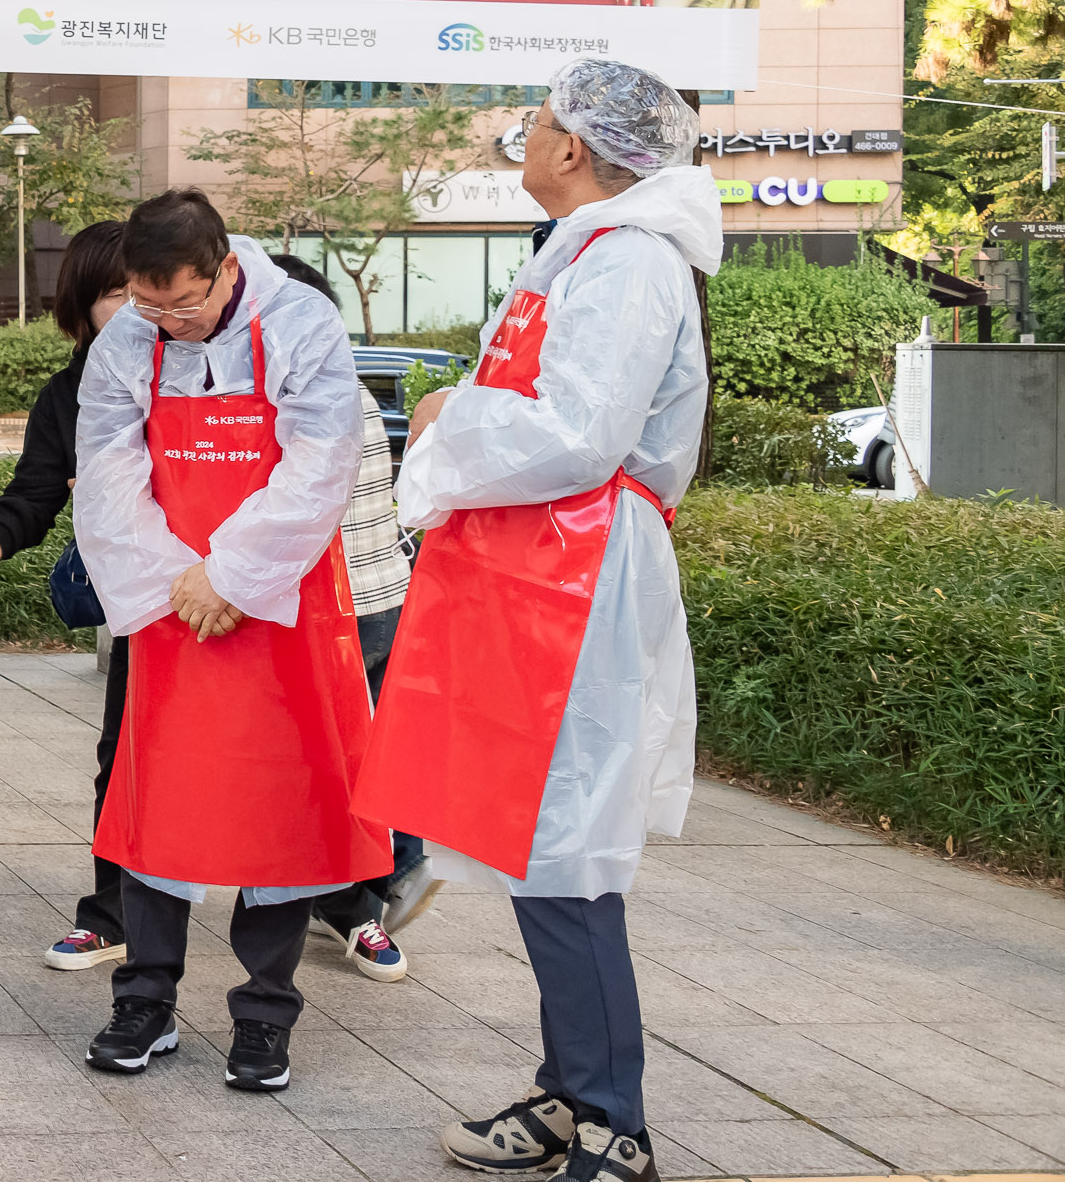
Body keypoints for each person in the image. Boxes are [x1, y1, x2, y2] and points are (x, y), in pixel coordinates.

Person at [354, 57, 716, 1182]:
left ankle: (614, 1121)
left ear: (572, 148)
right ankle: (571, 1088)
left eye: (535, 124)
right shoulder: (588, 252)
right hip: (535, 568)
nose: (524, 138)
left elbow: (578, 430)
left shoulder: (629, 263)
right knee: (532, 837)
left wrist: (445, 416)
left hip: (578, 573)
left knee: (564, 847)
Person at [73, 190, 388, 1092]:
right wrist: (177, 576)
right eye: (149, 304)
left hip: (279, 604)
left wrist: (237, 574)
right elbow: (108, 465)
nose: (168, 321)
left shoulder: (298, 321)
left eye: (185, 303)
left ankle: (265, 1012)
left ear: (224, 266)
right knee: (158, 799)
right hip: (173, 601)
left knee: (279, 803)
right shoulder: (130, 338)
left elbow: (324, 458)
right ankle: (146, 996)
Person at [0, 222, 137, 972]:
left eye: (145, 287)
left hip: (229, 597)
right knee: (125, 759)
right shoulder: (69, 395)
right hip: (147, 611)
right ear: (80, 307)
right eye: (116, 293)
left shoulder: (196, 373)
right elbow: (30, 500)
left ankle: (344, 900)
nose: (137, 305)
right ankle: (113, 915)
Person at [266, 254, 429, 983]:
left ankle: (358, 900)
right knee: (372, 759)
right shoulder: (351, 388)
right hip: (385, 593)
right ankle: (383, 879)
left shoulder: (302, 398)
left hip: (340, 611)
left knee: (328, 769)